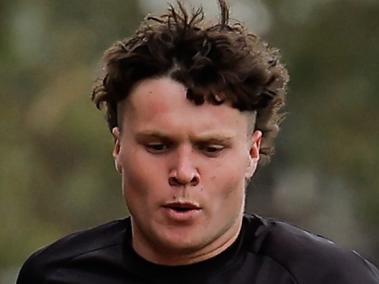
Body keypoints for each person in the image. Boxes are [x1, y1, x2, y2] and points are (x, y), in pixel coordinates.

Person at [17, 0, 379, 283]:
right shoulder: (54, 274)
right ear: (118, 148)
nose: (184, 172)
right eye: (158, 146)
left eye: (211, 148)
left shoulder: (330, 277)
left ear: (252, 152)